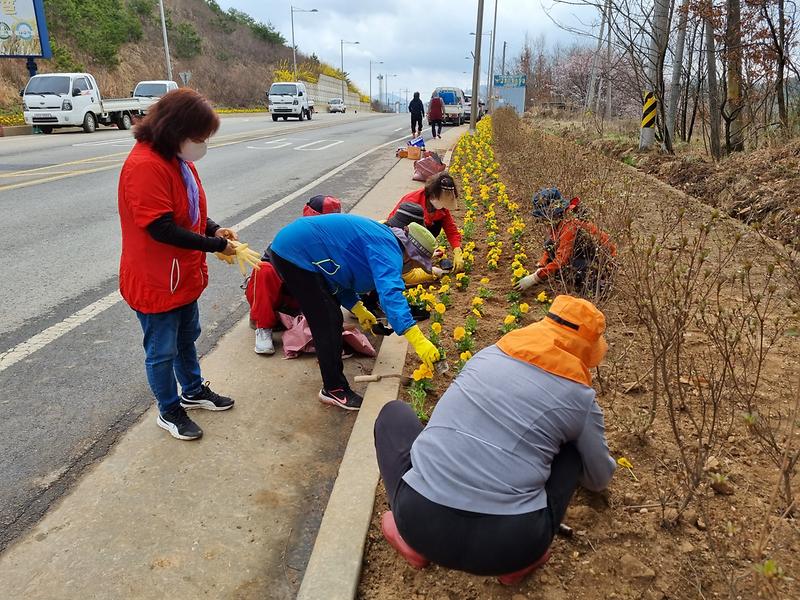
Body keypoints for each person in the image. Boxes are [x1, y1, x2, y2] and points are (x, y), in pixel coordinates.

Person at [374, 295, 616, 584]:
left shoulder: (488, 356)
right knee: (574, 451)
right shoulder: (580, 398)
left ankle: (409, 542)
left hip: (418, 522)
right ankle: (515, 568)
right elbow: (598, 479)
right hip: (511, 546)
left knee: (393, 414)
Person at [118, 88, 236, 441]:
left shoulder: (178, 160)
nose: (202, 144)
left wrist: (214, 229)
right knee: (161, 350)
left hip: (181, 273)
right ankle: (169, 410)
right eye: (198, 137)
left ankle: (193, 391)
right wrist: (215, 245)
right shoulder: (145, 166)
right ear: (176, 130)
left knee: (187, 337)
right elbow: (162, 227)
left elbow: (190, 211)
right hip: (156, 279)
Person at [269, 215, 441, 411]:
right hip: (294, 254)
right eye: (416, 263)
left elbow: (339, 276)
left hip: (298, 249)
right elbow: (390, 294)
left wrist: (359, 309)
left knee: (329, 315)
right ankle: (333, 389)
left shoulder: (384, 239)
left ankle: (332, 373)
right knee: (327, 321)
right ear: (410, 254)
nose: (412, 267)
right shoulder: (389, 249)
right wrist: (418, 340)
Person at [246, 195, 342, 355]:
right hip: (280, 295)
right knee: (263, 269)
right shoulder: (291, 236)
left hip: (302, 300)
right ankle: (263, 327)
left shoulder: (335, 241)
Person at [515, 188, 617, 298]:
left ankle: (597, 287)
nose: (542, 221)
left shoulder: (569, 225)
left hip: (602, 263)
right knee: (549, 245)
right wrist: (542, 263)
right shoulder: (559, 221)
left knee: (575, 267)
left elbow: (562, 259)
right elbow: (553, 242)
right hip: (586, 254)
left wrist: (535, 277)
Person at [387, 172, 464, 271]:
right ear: (432, 194)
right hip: (401, 235)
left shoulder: (441, 207)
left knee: (435, 227)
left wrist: (457, 249)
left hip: (417, 236)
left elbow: (451, 229)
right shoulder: (412, 202)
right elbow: (394, 228)